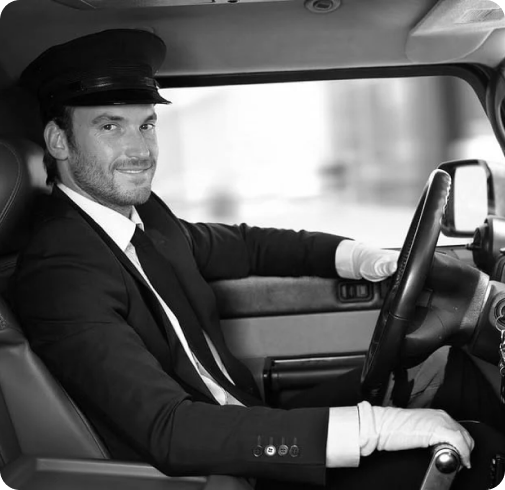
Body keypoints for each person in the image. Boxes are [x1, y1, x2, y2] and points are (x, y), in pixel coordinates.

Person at [10, 28, 501, 489]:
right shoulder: (58, 273)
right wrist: (370, 431)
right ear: (59, 141)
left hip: (242, 418)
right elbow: (170, 430)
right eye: (110, 126)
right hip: (222, 467)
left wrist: (355, 255)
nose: (139, 150)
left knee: (446, 369)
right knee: (483, 455)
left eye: (147, 124)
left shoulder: (141, 217)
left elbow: (245, 245)